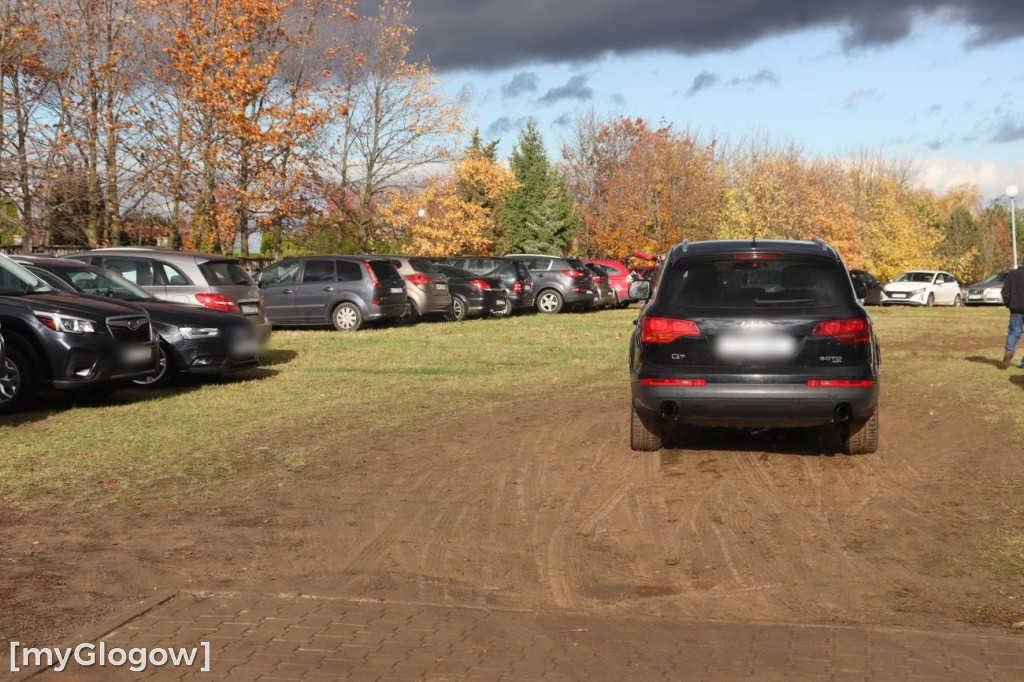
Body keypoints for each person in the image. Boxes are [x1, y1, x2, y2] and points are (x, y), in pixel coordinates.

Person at [1000, 265, 1024, 368]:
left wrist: (1009, 304)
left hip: (1016, 309)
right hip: (1016, 307)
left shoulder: (1012, 275)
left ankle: (1009, 350)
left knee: (1014, 332)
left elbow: (1005, 292)